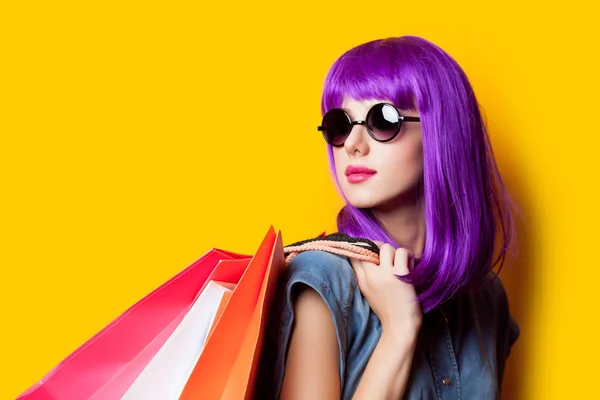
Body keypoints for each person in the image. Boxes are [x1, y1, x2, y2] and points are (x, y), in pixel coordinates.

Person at [256, 35, 520, 400]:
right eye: (340, 124)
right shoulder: (322, 282)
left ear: (442, 132)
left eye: (383, 119)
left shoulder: (485, 297)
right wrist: (398, 330)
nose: (352, 144)